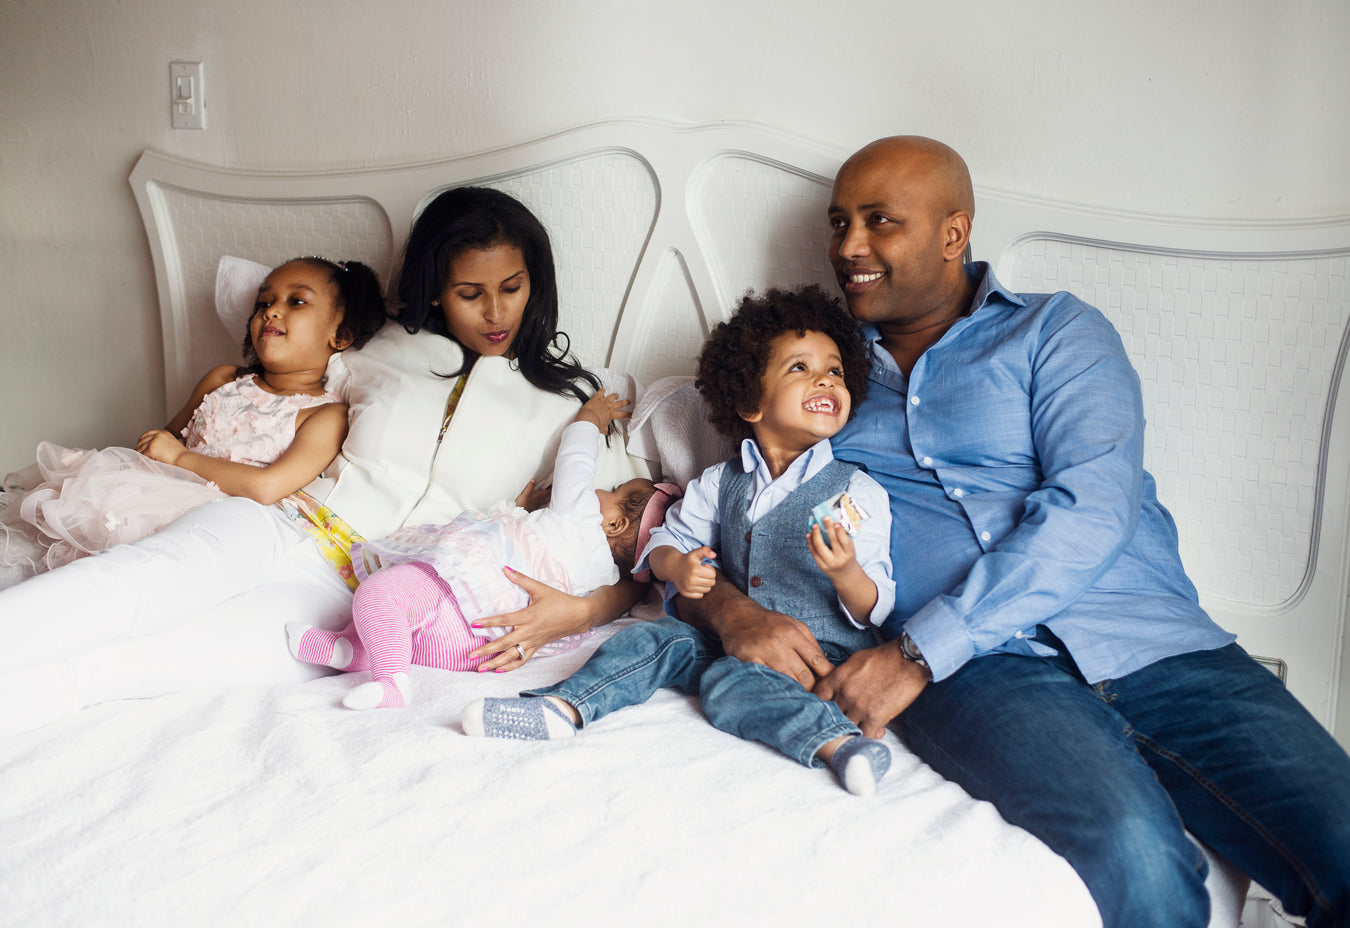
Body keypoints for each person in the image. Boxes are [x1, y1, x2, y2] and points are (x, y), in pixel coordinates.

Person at [676, 137, 1350, 926]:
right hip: (981, 676)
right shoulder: (818, 373)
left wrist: (917, 650)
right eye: (838, 223)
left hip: (1146, 639)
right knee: (1137, 853)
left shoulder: (1058, 335)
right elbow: (728, 513)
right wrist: (727, 609)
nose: (847, 247)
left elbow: (1095, 504)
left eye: (878, 222)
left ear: (953, 233)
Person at [0, 187, 647, 735]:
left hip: (360, 601)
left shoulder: (573, 404)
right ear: (433, 294)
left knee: (135, 666)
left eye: (512, 287)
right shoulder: (383, 347)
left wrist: (584, 611)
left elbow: (640, 546)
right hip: (278, 523)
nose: (497, 311)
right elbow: (284, 350)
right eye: (469, 293)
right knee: (129, 587)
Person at [463, 286, 898, 796]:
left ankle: (841, 746)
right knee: (647, 638)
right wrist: (676, 566)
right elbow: (664, 540)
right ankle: (562, 708)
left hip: (820, 657)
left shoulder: (856, 491)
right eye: (799, 367)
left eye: (836, 370)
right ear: (749, 402)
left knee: (729, 686)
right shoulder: (720, 482)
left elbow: (877, 609)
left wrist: (846, 572)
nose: (825, 377)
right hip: (728, 640)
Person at [286, 390, 672, 710]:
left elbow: (576, 460)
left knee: (381, 594)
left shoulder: (582, 515)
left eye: (617, 490)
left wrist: (591, 416)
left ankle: (390, 684)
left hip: (458, 589)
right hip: (479, 647)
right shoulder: (604, 579)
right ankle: (349, 652)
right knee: (410, 637)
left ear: (615, 523)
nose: (604, 489)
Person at [0, 257, 383, 576]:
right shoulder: (223, 379)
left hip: (223, 519)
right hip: (158, 489)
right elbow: (167, 439)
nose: (272, 310)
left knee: (129, 564)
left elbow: (268, 487)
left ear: (342, 335)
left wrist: (181, 458)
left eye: (296, 301)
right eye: (264, 302)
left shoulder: (325, 415)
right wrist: (158, 447)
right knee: (64, 521)